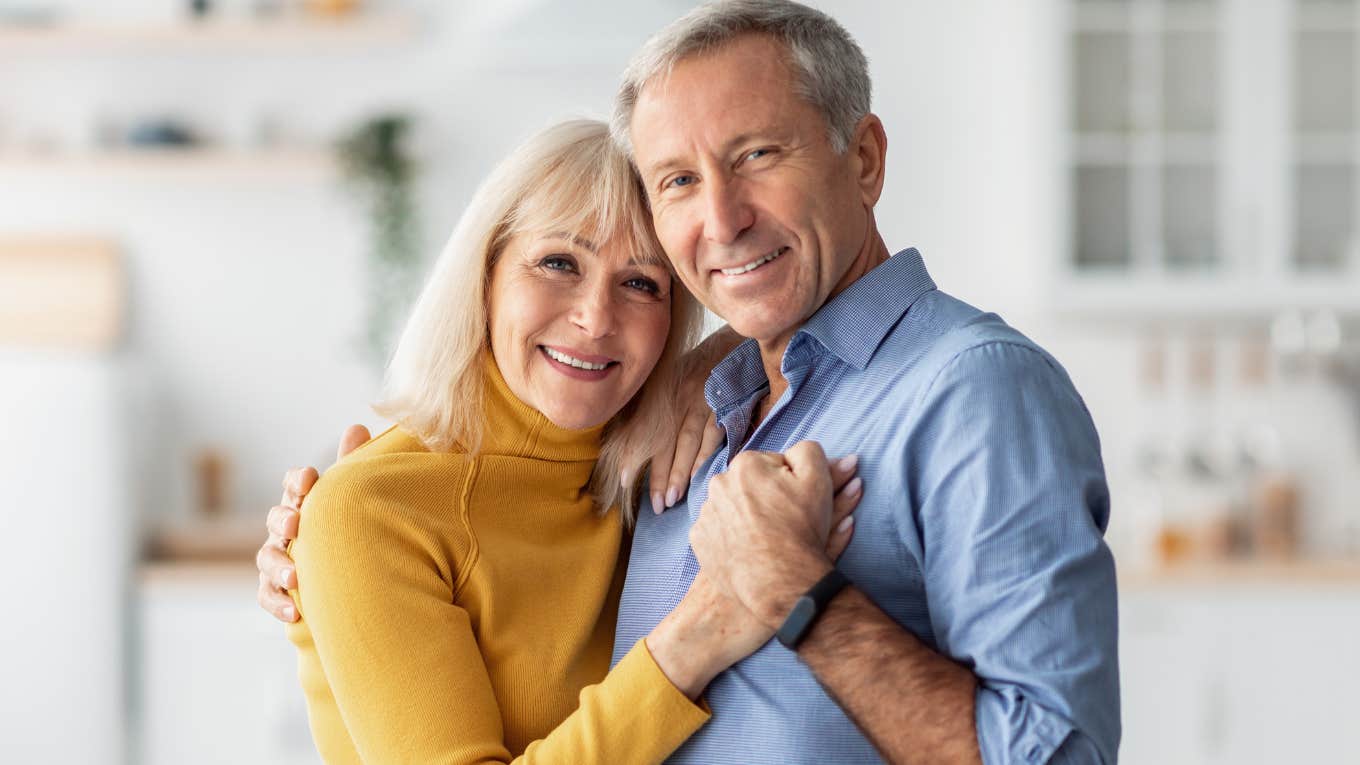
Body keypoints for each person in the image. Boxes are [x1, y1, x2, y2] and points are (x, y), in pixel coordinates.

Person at [260, 2, 1121, 763]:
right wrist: (330, 537)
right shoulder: (694, 418)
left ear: (863, 158)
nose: (722, 218)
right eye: (678, 180)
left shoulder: (977, 392)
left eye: (756, 155)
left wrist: (800, 598)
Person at [267, 117, 862, 764]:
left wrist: (729, 348)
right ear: (485, 273)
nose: (596, 318)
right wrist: (698, 634)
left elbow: (838, 266)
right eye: (558, 262)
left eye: (641, 283)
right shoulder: (372, 509)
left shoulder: (654, 473)